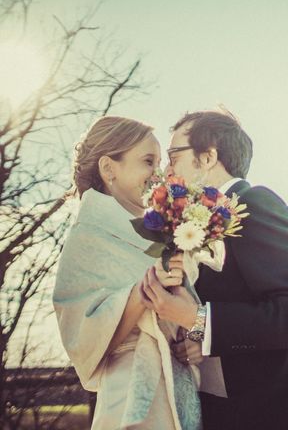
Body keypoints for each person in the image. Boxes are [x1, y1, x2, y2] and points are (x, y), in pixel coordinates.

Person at [141, 110, 288, 430]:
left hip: (265, 412)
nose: (167, 168)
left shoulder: (255, 203)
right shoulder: (193, 223)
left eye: (174, 155)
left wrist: (196, 318)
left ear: (208, 156)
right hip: (222, 412)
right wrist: (201, 338)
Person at [53, 116, 201, 430]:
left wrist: (192, 340)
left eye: (160, 162)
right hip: (131, 396)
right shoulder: (86, 238)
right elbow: (82, 339)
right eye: (148, 161)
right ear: (109, 169)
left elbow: (185, 314)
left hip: (181, 391)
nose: (159, 173)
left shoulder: (165, 233)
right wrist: (139, 295)